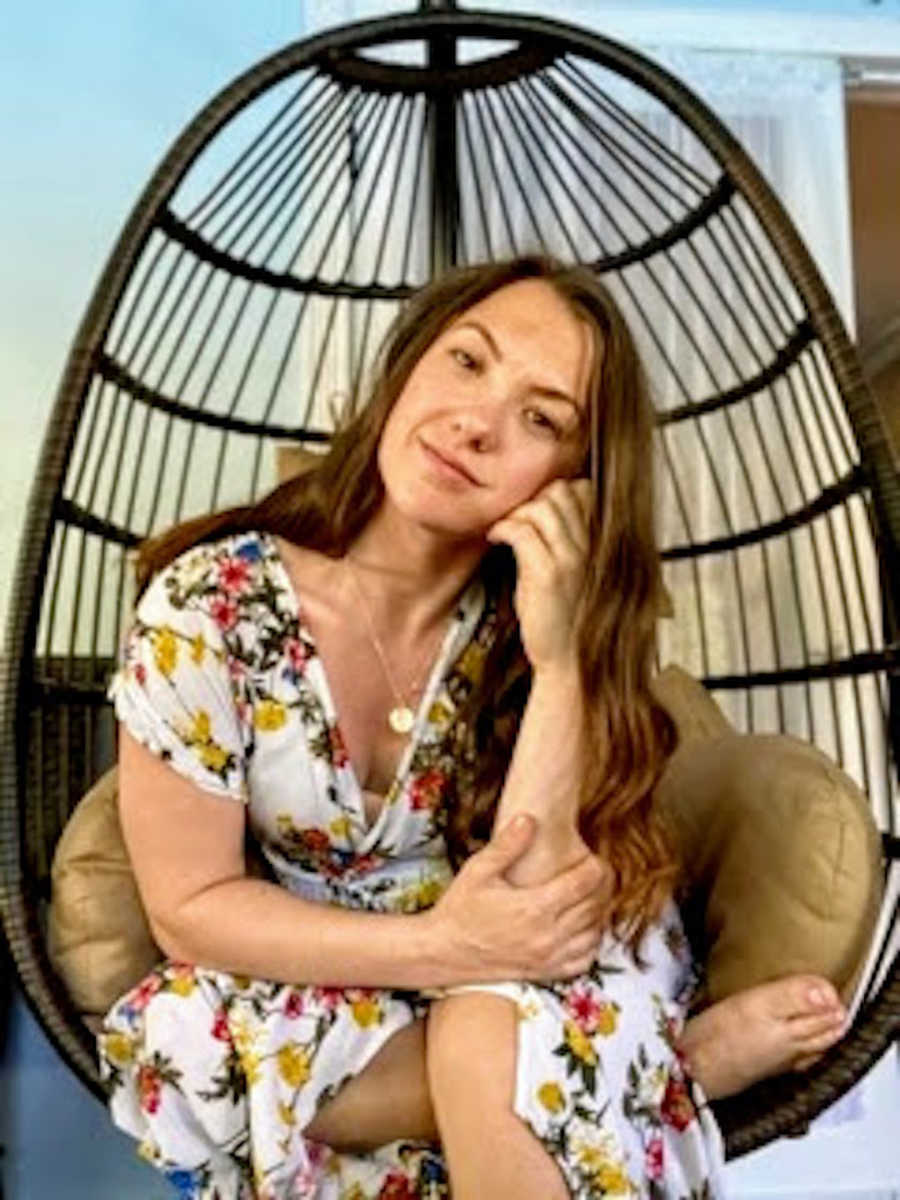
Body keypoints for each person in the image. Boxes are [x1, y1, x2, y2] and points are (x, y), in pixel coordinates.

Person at [98, 256, 848, 1200]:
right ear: (408, 364)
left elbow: (540, 901)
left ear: (573, 482)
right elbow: (189, 906)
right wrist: (446, 951)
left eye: (541, 419)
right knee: (179, 1038)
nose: (476, 425)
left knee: (494, 1025)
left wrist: (562, 651)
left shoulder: (541, 623)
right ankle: (665, 1076)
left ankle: (573, 1068)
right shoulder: (214, 603)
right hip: (323, 971)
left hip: (539, 974)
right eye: (466, 362)